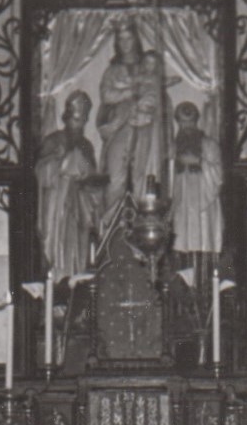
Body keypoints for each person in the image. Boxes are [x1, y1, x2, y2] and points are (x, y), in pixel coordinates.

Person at [96, 16, 169, 215]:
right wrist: (131, 92)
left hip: (143, 125)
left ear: (136, 40)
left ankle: (143, 222)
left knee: (142, 175)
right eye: (121, 39)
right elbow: (107, 95)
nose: (125, 43)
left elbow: (156, 95)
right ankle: (112, 224)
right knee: (115, 176)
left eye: (129, 38)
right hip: (118, 127)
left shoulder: (147, 66)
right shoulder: (112, 70)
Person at [36, 90, 100, 284]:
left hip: (79, 202)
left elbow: (93, 178)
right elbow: (40, 173)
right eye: (76, 120)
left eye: (83, 121)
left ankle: (76, 277)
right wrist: (57, 160)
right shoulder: (53, 140)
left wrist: (85, 174)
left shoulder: (86, 145)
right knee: (57, 243)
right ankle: (57, 280)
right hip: (57, 203)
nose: (79, 126)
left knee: (78, 244)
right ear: (67, 117)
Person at [170, 101, 222, 259]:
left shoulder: (209, 145)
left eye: (190, 124)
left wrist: (199, 162)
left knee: (203, 240)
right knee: (180, 240)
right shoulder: (173, 147)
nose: (186, 129)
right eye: (182, 125)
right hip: (181, 202)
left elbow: (218, 174)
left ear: (196, 122)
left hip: (203, 201)